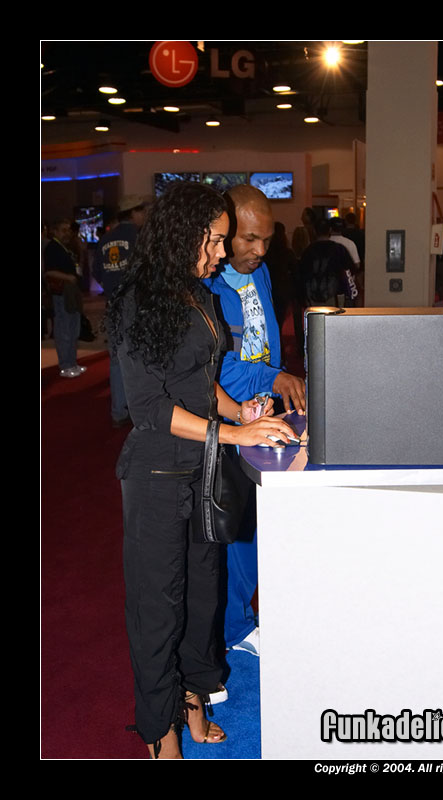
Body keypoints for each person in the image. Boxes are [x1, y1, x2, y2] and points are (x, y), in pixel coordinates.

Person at [105, 181, 296, 759]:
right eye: (213, 241)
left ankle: (193, 698)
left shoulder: (200, 293)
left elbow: (201, 382)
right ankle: (159, 729)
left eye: (222, 240)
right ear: (181, 234)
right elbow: (151, 407)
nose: (221, 253)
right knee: (158, 608)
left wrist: (243, 413)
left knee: (202, 598)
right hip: (157, 475)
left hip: (203, 467)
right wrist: (235, 434)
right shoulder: (138, 300)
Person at [204, 184, 306, 659]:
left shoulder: (259, 270)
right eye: (249, 239)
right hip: (226, 419)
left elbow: (265, 341)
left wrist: (277, 386)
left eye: (266, 239)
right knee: (232, 528)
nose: (259, 250)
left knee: (256, 524)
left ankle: (244, 617)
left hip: (263, 412)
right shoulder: (207, 284)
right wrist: (273, 378)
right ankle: (232, 630)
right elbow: (217, 369)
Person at [94, 195, 147, 427]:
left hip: (112, 304)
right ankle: (140, 411)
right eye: (142, 210)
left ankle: (118, 410)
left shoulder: (105, 239)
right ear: (133, 212)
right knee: (141, 357)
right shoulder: (140, 237)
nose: (144, 214)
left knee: (116, 358)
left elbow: (97, 272)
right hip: (137, 304)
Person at [43, 218, 87, 378]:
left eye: (68, 230)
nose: (67, 233)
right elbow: (48, 272)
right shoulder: (52, 248)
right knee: (64, 329)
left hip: (71, 292)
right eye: (63, 230)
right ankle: (65, 364)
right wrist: (68, 277)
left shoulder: (67, 247)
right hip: (61, 293)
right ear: (54, 231)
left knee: (73, 327)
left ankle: (72, 362)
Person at [298, 218, 357, 307]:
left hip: (312, 295)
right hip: (335, 295)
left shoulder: (308, 251)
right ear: (330, 230)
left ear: (314, 231)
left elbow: (302, 274)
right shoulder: (339, 249)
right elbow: (350, 271)